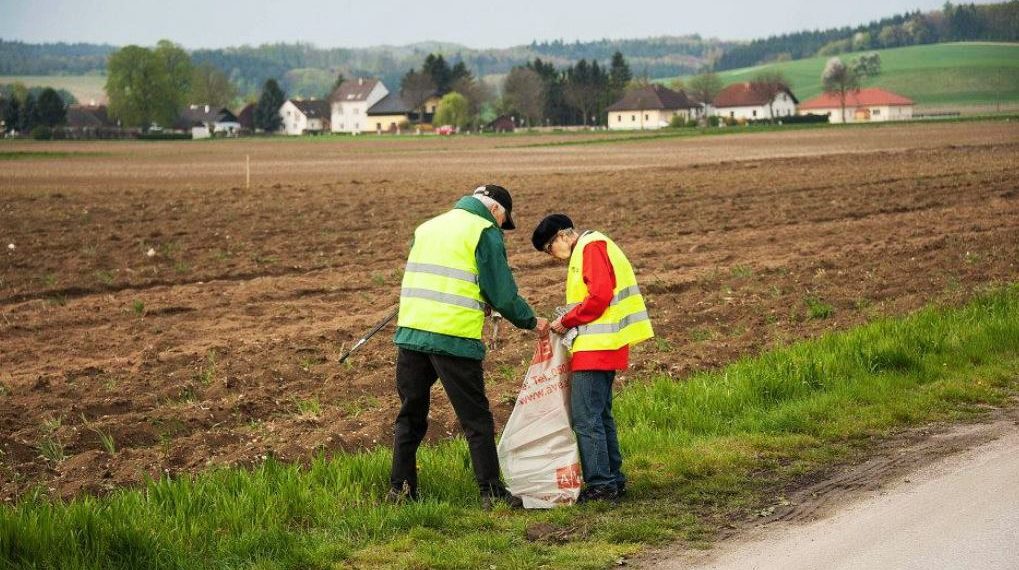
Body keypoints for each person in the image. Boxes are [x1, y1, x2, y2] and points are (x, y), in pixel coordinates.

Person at [390, 184, 549, 509]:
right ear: (495, 211)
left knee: (410, 417)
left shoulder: (428, 227)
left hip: (411, 334)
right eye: (502, 221)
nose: (500, 228)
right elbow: (502, 293)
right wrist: (532, 321)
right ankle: (491, 494)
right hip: (452, 338)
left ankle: (401, 492)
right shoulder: (484, 231)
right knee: (477, 420)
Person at [531, 214, 654, 503]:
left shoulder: (590, 247)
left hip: (596, 346)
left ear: (562, 236)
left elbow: (599, 296)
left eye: (549, 248)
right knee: (600, 415)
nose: (552, 256)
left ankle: (601, 485)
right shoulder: (591, 246)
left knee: (586, 417)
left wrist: (567, 321)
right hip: (603, 344)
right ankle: (613, 480)